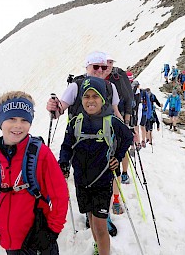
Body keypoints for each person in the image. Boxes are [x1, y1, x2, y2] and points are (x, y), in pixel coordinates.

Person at [0, 91, 68, 255]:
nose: (18, 125)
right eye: (11, 119)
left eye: (24, 120)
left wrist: (51, 233)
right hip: (10, 243)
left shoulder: (40, 154)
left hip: (39, 241)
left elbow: (60, 195)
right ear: (0, 121)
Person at [46, 51, 123, 233]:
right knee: (84, 178)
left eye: (103, 67)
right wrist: (52, 107)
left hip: (105, 141)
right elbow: (59, 111)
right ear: (87, 67)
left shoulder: (111, 87)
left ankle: (103, 218)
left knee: (106, 178)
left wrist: (127, 130)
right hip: (80, 143)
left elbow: (115, 111)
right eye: (95, 66)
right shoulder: (76, 86)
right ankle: (91, 215)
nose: (99, 70)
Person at [58, 77, 133, 255]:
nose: (91, 100)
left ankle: (103, 251)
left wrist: (118, 156)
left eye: (95, 96)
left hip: (102, 181)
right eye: (86, 96)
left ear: (102, 100)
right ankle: (98, 247)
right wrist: (63, 164)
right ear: (81, 99)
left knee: (100, 224)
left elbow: (128, 137)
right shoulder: (75, 123)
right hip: (82, 181)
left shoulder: (111, 121)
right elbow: (66, 146)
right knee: (91, 219)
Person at [104, 54, 133, 185]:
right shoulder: (97, 77)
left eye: (111, 62)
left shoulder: (118, 77)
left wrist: (126, 121)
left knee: (122, 147)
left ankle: (124, 173)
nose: (109, 65)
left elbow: (128, 98)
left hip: (118, 118)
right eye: (107, 62)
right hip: (107, 119)